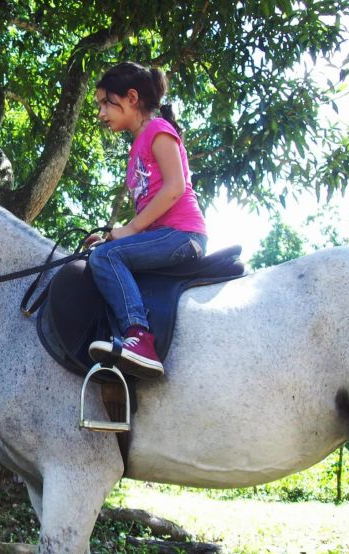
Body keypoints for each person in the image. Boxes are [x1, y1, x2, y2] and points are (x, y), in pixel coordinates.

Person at [87, 62, 208, 379]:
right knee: (106, 252)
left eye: (105, 102)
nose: (101, 113)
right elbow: (147, 209)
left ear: (131, 97)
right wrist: (117, 235)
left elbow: (175, 188)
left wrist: (128, 231)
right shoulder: (136, 148)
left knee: (106, 257)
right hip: (162, 234)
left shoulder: (158, 129)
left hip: (183, 233)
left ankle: (139, 337)